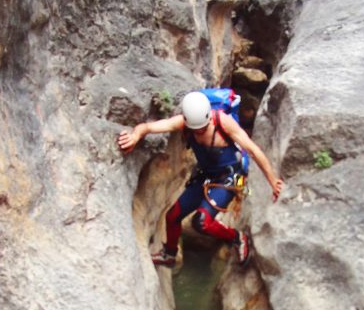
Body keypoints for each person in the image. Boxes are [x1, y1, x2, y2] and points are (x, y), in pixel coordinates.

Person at [117, 91, 285, 266]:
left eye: (203, 128)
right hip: (206, 175)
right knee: (172, 216)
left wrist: (273, 181)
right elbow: (149, 127)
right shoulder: (184, 123)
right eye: (195, 129)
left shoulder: (222, 122)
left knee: (202, 222)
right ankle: (169, 254)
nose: (199, 132)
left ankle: (237, 237)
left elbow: (253, 150)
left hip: (231, 177)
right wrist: (135, 135)